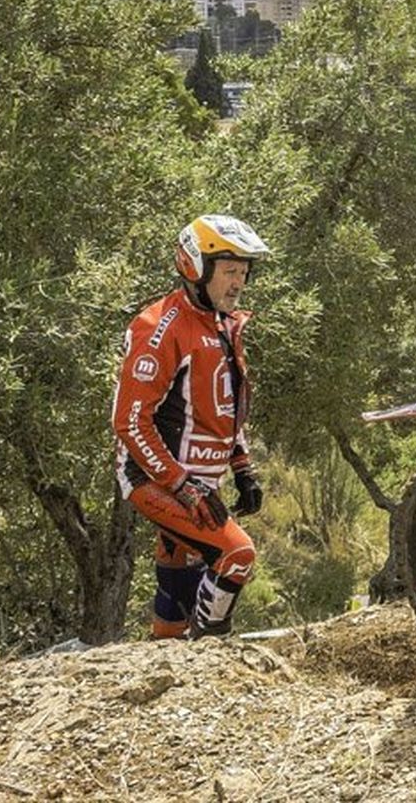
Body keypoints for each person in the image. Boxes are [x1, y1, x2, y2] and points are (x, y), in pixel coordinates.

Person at [110, 214, 270, 639]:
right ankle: (210, 645)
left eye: (244, 273)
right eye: (230, 272)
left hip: (199, 479)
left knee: (178, 585)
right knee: (236, 554)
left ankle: (163, 654)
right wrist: (182, 484)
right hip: (154, 479)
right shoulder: (159, 328)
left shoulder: (223, 323)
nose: (238, 283)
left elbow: (225, 406)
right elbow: (129, 421)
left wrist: (243, 467)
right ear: (195, 267)